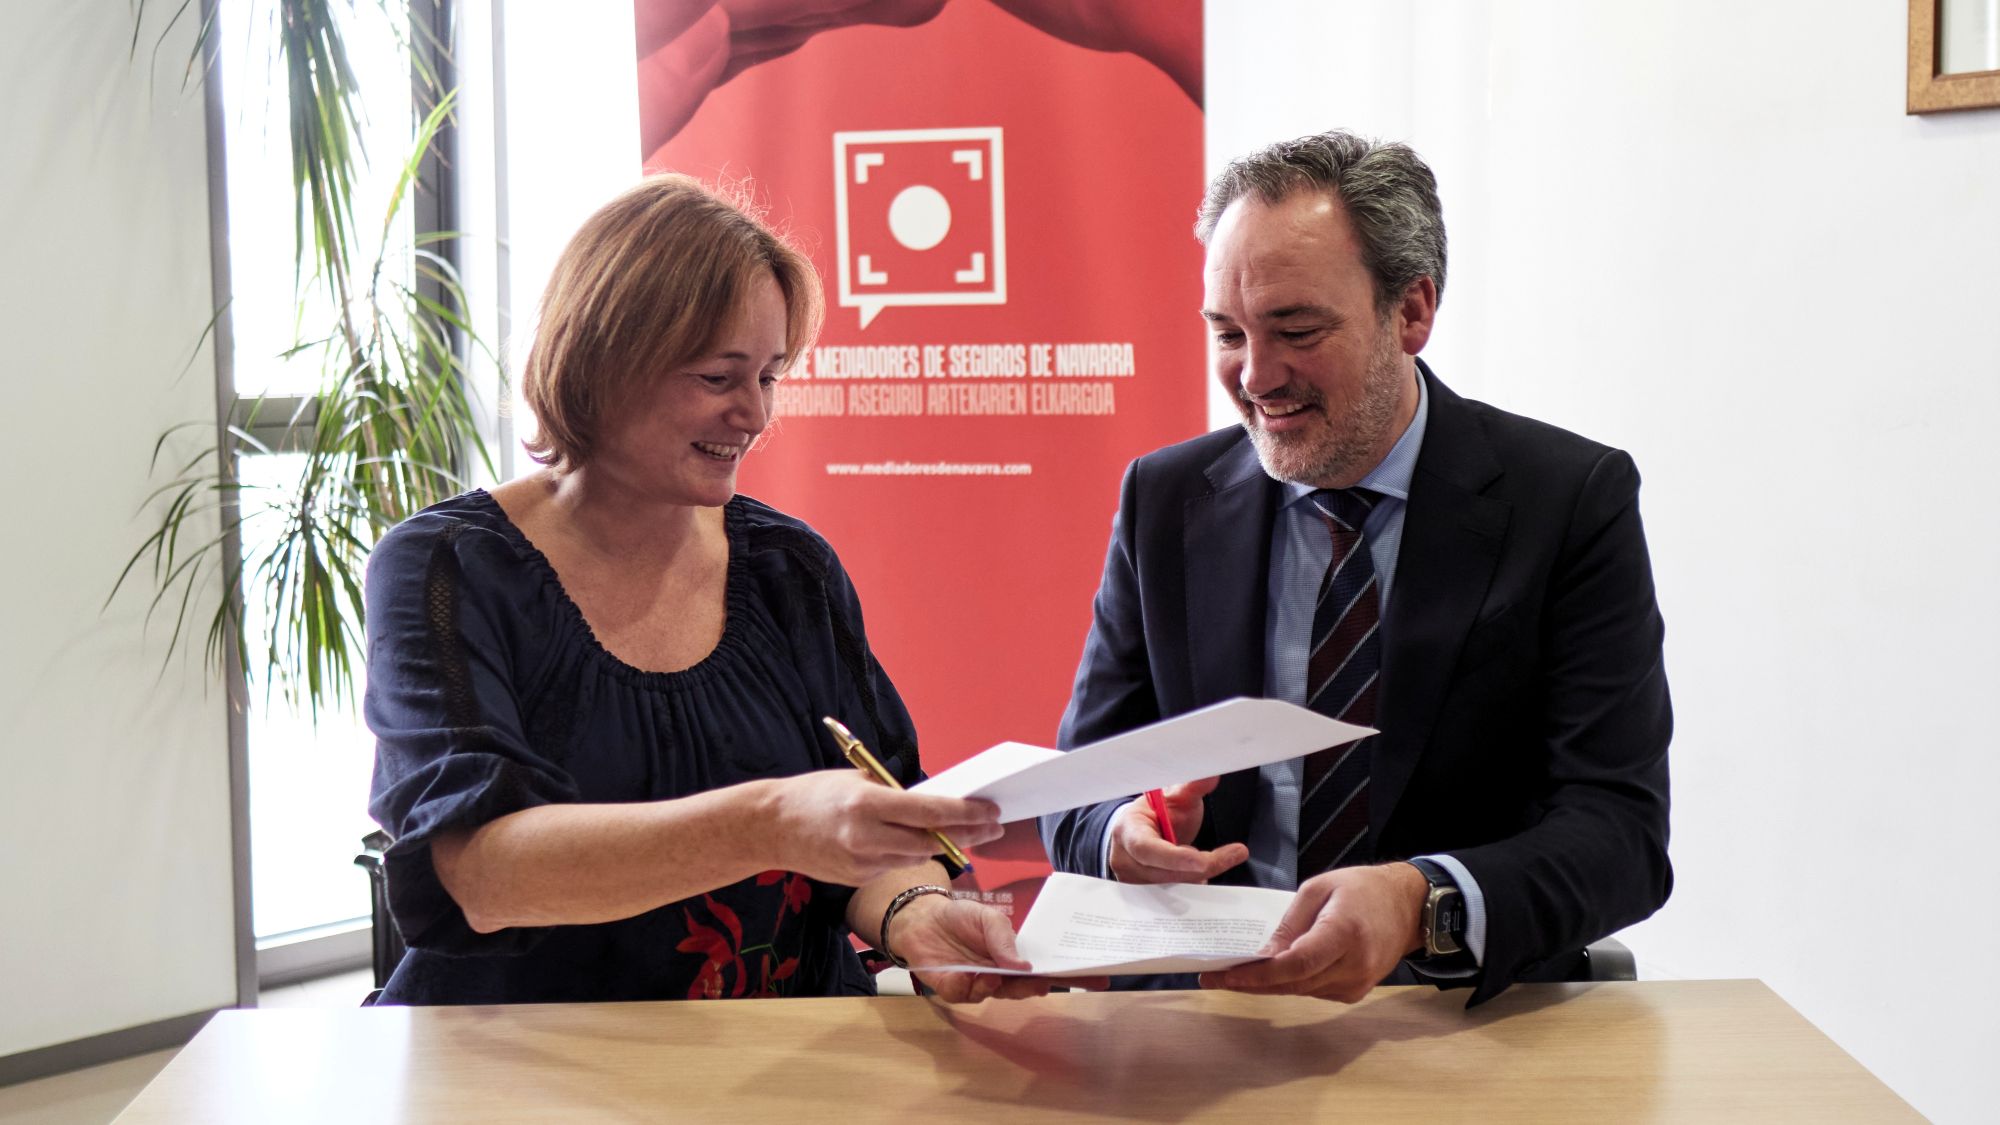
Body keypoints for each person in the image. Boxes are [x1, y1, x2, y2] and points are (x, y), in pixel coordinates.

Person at [365, 175, 1088, 1005]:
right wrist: (773, 822)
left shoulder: (789, 566)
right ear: (602, 361)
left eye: (769, 378)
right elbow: (483, 875)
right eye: (718, 378)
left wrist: (916, 912)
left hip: (780, 1053)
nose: (754, 414)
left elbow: (878, 831)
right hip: (525, 1055)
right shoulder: (449, 568)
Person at [1039, 131, 1672, 1005]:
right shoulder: (1166, 497)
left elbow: (1620, 833)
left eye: (1296, 331)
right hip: (1202, 1011)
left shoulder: (1566, 500)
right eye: (1228, 333)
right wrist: (1122, 833)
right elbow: (1074, 789)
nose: (1256, 376)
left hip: (1455, 1020)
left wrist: (1422, 902)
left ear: (1411, 311)